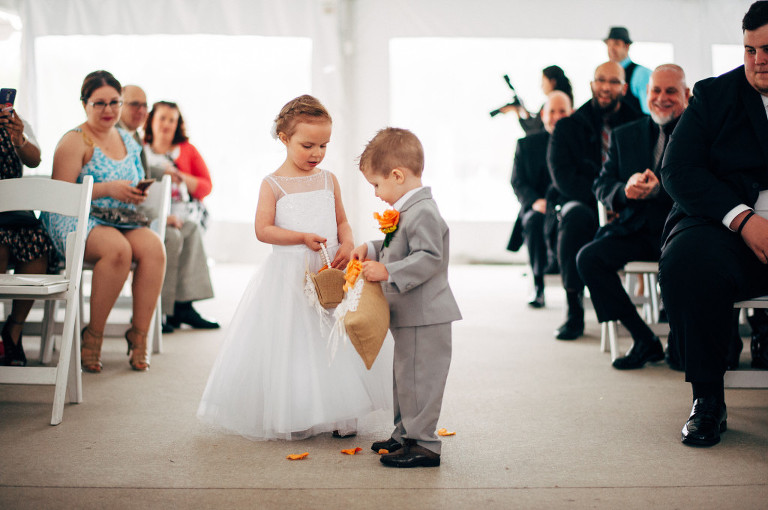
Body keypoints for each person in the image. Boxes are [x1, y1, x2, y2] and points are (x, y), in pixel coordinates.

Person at [197, 95, 392, 440]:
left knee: (336, 337)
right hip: (290, 275)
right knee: (297, 343)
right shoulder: (272, 184)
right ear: (284, 139)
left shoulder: (328, 180)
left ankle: (344, 411)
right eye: (307, 145)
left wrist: (346, 243)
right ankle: (301, 409)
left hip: (331, 271)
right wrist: (300, 236)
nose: (316, 153)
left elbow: (342, 221)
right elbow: (263, 230)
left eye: (323, 145)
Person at [659, 1, 768, 447]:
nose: (759, 60)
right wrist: (743, 219)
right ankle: (707, 400)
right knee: (688, 261)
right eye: (750, 49)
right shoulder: (713, 95)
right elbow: (677, 169)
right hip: (722, 228)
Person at [352, 127, 462, 469]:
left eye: (376, 184)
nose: (376, 193)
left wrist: (388, 272)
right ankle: (404, 434)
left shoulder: (423, 211)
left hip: (426, 314)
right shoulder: (407, 211)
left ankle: (424, 443)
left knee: (421, 379)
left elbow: (429, 257)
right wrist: (371, 248)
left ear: (397, 175)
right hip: (410, 313)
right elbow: (396, 246)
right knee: (405, 378)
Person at [41, 70, 165, 373]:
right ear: (85, 104)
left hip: (119, 217)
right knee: (118, 251)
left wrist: (134, 192)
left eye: (114, 102)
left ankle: (139, 334)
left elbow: (132, 178)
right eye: (99, 103)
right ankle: (92, 336)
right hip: (74, 217)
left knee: (154, 248)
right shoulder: (75, 140)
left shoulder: (128, 140)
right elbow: (61, 195)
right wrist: (109, 189)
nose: (108, 110)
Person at [577, 64, 689, 369]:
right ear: (646, 93)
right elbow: (601, 184)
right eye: (656, 90)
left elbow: (704, 184)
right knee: (588, 258)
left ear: (686, 95)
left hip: (682, 233)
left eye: (670, 91)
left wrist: (661, 193)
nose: (662, 98)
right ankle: (643, 339)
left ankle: (681, 340)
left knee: (691, 263)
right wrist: (625, 190)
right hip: (636, 231)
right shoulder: (625, 135)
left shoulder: (699, 133)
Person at [547, 61, 643, 340]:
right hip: (584, 203)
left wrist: (621, 200)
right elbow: (562, 178)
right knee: (575, 217)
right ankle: (573, 308)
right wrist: (604, 201)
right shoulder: (568, 127)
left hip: (629, 204)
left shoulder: (639, 123)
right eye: (601, 80)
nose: (605, 87)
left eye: (613, 82)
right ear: (592, 84)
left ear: (624, 88)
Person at [143, 101, 219, 331]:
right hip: (151, 214)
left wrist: (180, 176)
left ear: (178, 124)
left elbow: (206, 187)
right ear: (152, 121)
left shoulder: (187, 150)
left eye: (172, 120)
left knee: (191, 229)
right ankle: (164, 309)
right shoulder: (140, 150)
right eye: (162, 118)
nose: (167, 124)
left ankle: (183, 304)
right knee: (174, 235)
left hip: (182, 212)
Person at [0, 104, 56, 366]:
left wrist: (19, 137)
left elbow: (34, 159)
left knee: (38, 243)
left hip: (13, 212)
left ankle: (14, 328)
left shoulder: (12, 120)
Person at [508, 91, 573, 308]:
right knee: (534, 220)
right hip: (535, 205)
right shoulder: (526, 144)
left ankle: (573, 288)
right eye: (552, 111)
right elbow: (517, 181)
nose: (556, 116)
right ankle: (538, 284)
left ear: (571, 113)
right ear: (543, 114)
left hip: (566, 204)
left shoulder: (579, 144)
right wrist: (536, 201)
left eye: (562, 111)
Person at [501, 65, 574, 134]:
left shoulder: (551, 105)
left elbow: (533, 130)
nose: (541, 86)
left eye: (543, 82)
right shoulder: (566, 101)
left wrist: (517, 112)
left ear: (552, 82)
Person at [604, 26, 652, 115]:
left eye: (616, 44)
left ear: (627, 46)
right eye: (609, 44)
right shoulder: (605, 73)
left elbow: (649, 111)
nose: (611, 49)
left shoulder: (641, 73)